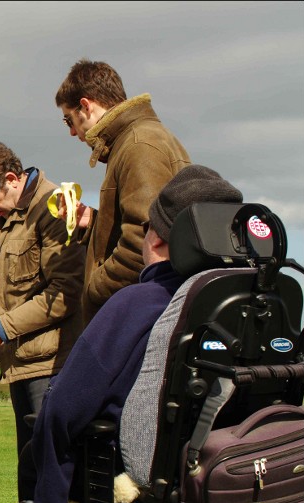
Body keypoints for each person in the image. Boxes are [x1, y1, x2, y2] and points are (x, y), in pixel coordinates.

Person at [28, 165, 244, 503]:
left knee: (39, 444)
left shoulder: (136, 303)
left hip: (141, 496)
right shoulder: (252, 307)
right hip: (231, 480)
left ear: (157, 237)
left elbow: (63, 412)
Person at [0, 143, 85, 502]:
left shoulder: (55, 208)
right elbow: (3, 293)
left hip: (53, 366)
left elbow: (66, 292)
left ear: (12, 179)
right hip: (20, 365)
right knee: (30, 476)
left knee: (53, 479)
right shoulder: (1, 219)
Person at [55, 59, 191, 323]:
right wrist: (93, 222)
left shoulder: (140, 144)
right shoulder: (137, 139)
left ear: (85, 106)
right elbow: (147, 223)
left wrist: (93, 288)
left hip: (142, 319)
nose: (72, 132)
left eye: (68, 119)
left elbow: (146, 243)